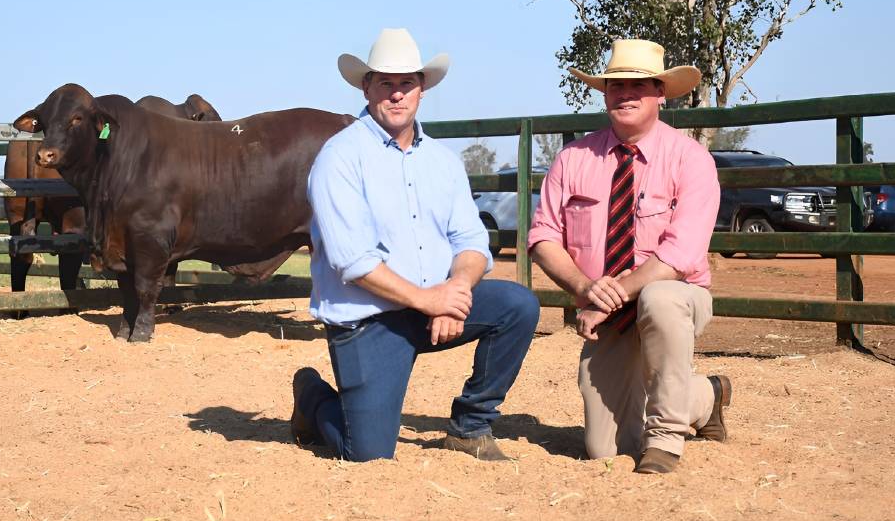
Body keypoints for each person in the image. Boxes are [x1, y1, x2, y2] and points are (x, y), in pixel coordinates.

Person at [288, 28, 541, 462]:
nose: (397, 94)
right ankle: (313, 400)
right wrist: (429, 301)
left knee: (518, 305)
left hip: (432, 305)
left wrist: (455, 292)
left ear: (422, 89)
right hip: (370, 320)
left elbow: (472, 240)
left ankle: (471, 424)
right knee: (367, 454)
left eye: (407, 83)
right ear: (366, 87)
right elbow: (354, 262)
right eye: (385, 83)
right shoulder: (339, 157)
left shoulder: (442, 161)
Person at [527, 39, 731, 474]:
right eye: (616, 85)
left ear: (661, 93)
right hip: (608, 310)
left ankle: (666, 440)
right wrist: (585, 288)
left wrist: (609, 295)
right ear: (604, 94)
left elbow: (678, 255)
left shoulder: (691, 160)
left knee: (660, 298)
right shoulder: (572, 159)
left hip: (677, 298)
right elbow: (543, 236)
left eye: (639, 85)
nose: (626, 94)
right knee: (605, 448)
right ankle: (706, 395)